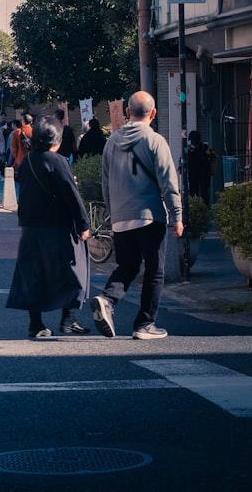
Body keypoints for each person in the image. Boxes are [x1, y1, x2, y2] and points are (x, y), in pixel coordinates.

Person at [91, 91, 183, 341]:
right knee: (154, 270)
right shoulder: (155, 141)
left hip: (121, 216)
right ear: (153, 113)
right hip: (149, 216)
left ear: (128, 113)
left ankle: (107, 299)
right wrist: (177, 216)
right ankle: (145, 324)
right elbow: (168, 181)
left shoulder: (112, 141)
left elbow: (105, 181)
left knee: (128, 265)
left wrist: (112, 213)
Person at [7, 117, 92, 337]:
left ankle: (36, 324)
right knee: (75, 272)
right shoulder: (58, 161)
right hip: (59, 227)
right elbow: (72, 195)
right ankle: (69, 320)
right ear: (57, 138)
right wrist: (84, 224)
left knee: (34, 274)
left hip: (32, 227)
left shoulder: (28, 161)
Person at [186, 130, 216, 205]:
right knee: (194, 192)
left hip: (203, 174)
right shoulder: (188, 149)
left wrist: (211, 168)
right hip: (193, 174)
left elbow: (214, 157)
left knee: (204, 193)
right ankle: (195, 208)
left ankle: (204, 208)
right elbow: (182, 161)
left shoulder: (205, 147)